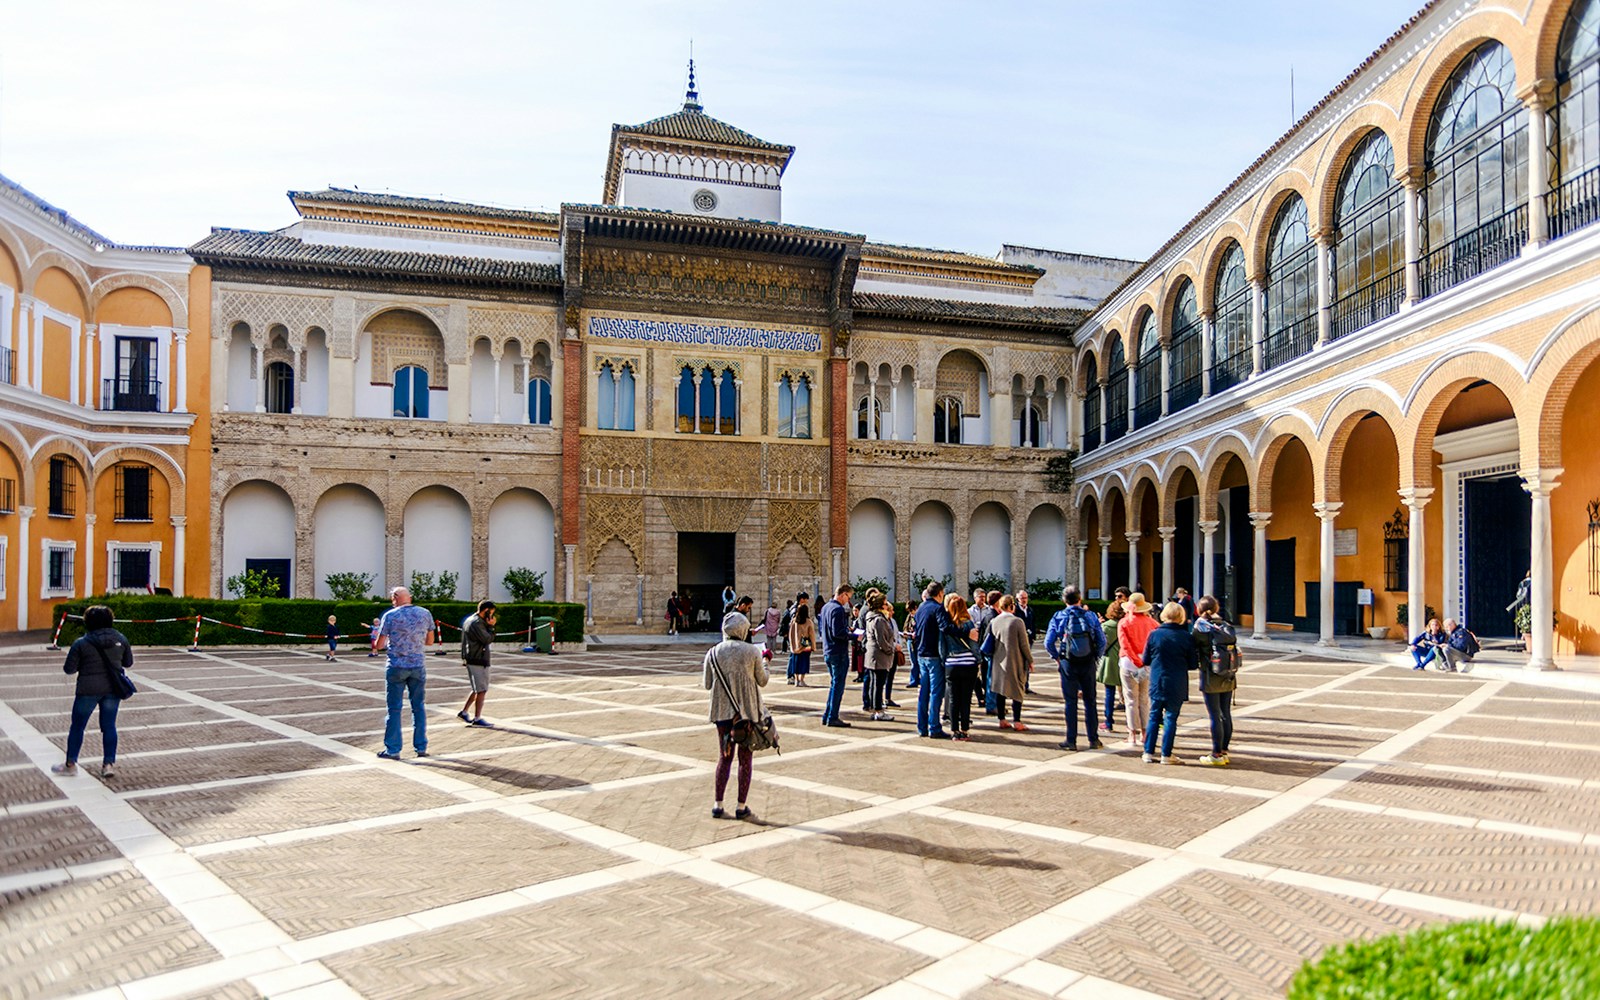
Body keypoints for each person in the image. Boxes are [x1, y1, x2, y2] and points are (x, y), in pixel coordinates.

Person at [52, 605, 132, 779]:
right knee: (109, 726)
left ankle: (70, 764)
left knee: (78, 726)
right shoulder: (121, 639)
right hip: (112, 688)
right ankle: (108, 764)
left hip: (87, 689)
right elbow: (128, 663)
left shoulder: (81, 643)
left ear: (88, 622)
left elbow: (69, 669)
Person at [703, 611, 769, 820]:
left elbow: (707, 684)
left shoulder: (713, 653)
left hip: (722, 714)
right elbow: (762, 680)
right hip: (746, 714)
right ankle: (741, 806)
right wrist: (765, 662)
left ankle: (718, 804)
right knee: (745, 759)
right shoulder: (751, 652)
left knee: (724, 756)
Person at [376, 586, 435, 760]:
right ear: (409, 597)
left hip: (396, 666)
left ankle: (393, 749)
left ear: (395, 598)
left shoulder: (390, 615)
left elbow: (379, 645)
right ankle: (421, 746)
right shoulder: (425, 613)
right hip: (417, 665)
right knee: (418, 707)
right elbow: (430, 641)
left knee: (394, 708)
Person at [1045, 586, 1106, 752]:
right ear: (1080, 599)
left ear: (1065, 600)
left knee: (1070, 702)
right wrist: (1095, 656)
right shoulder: (1090, 616)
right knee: (1090, 701)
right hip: (1087, 662)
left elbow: (1048, 642)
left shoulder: (1059, 616)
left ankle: (1071, 740)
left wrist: (1057, 658)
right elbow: (1101, 641)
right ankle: (1093, 739)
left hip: (1068, 662)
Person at [1142, 602, 1198, 765]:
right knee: (1171, 718)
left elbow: (1145, 659)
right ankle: (1166, 754)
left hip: (1158, 679)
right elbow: (1193, 664)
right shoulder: (1186, 637)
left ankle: (1148, 751)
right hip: (1177, 681)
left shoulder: (1154, 635)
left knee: (1154, 716)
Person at [913, 580, 968, 740]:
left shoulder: (921, 607)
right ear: (939, 594)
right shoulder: (938, 609)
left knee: (924, 692)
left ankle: (922, 727)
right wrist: (965, 633)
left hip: (921, 654)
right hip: (934, 655)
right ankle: (934, 727)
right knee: (937, 692)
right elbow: (945, 628)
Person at [1190, 596, 1237, 766]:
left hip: (1210, 675)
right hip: (1228, 674)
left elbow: (1193, 647)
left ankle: (1216, 753)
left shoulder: (1200, 627)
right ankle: (1224, 750)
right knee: (1226, 713)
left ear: (1199, 610)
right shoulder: (1225, 625)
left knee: (1214, 715)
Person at [1118, 592, 1159, 749]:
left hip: (1129, 663)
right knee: (1144, 700)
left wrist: (1137, 661)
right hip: (1148, 663)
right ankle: (1145, 733)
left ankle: (1132, 734)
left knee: (1130, 700)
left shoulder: (1124, 622)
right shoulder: (1153, 623)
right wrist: (1145, 662)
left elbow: (1125, 645)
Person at [985, 594, 1033, 730]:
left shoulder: (994, 621)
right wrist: (1030, 660)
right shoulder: (1017, 622)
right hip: (1015, 660)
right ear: (1012, 606)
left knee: (1001, 690)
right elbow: (1024, 645)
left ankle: (1002, 719)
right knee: (1017, 690)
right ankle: (1017, 721)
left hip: (998, 660)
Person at [943, 594, 982, 740]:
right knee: (966, 699)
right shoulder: (968, 624)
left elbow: (943, 647)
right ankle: (965, 729)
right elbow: (974, 645)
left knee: (953, 699)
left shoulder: (947, 626)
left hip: (952, 664)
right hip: (968, 664)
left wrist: (945, 661)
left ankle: (954, 730)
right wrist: (978, 660)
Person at [818, 583, 855, 727]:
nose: (848, 601)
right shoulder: (838, 609)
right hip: (838, 652)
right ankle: (832, 716)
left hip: (828, 651)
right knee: (838, 686)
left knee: (834, 684)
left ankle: (827, 715)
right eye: (848, 597)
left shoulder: (826, 607)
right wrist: (853, 636)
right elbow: (838, 633)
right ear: (843, 594)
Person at [458, 600, 496, 727]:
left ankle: (464, 712)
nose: (491, 616)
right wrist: (491, 626)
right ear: (486, 611)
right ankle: (477, 717)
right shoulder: (477, 623)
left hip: (472, 657)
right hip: (478, 659)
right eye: (491, 613)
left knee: (476, 688)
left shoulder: (470, 620)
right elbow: (487, 639)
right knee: (481, 690)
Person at [862, 591, 898, 722]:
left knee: (874, 684)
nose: (887, 606)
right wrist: (891, 649)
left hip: (873, 655)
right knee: (878, 685)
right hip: (879, 656)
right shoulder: (878, 620)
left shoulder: (871, 617)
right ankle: (878, 711)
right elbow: (882, 640)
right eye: (885, 604)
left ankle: (875, 708)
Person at [1098, 599, 1125, 734]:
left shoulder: (1106, 626)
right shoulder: (1126, 624)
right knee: (1131, 695)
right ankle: (1133, 724)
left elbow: (1102, 645)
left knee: (1109, 693)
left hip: (1110, 662)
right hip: (1125, 659)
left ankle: (1108, 721)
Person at [969, 588, 996, 715]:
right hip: (974, 643)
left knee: (985, 672)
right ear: (975, 598)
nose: (982, 599)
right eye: (980, 597)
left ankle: (986, 695)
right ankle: (980, 696)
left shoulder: (988, 611)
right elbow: (971, 625)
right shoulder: (970, 611)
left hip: (983, 642)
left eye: (984, 597)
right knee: (975, 672)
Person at [787, 601, 815, 686]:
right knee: (804, 662)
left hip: (796, 645)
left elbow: (790, 633)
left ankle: (796, 680)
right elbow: (812, 634)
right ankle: (802, 680)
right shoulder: (808, 621)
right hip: (805, 644)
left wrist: (792, 643)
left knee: (796, 663)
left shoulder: (794, 621)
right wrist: (813, 645)